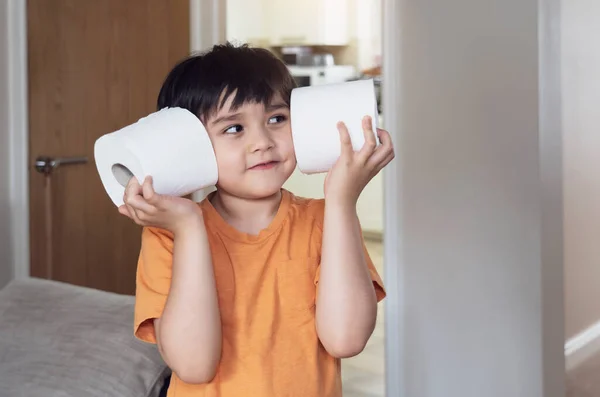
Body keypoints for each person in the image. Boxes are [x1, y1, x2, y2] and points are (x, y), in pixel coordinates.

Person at [119, 42, 394, 397]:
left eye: (276, 119)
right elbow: (193, 366)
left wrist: (341, 201)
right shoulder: (168, 235)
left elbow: (346, 339)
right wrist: (189, 230)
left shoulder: (325, 221)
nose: (263, 141)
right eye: (234, 128)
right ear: (188, 145)